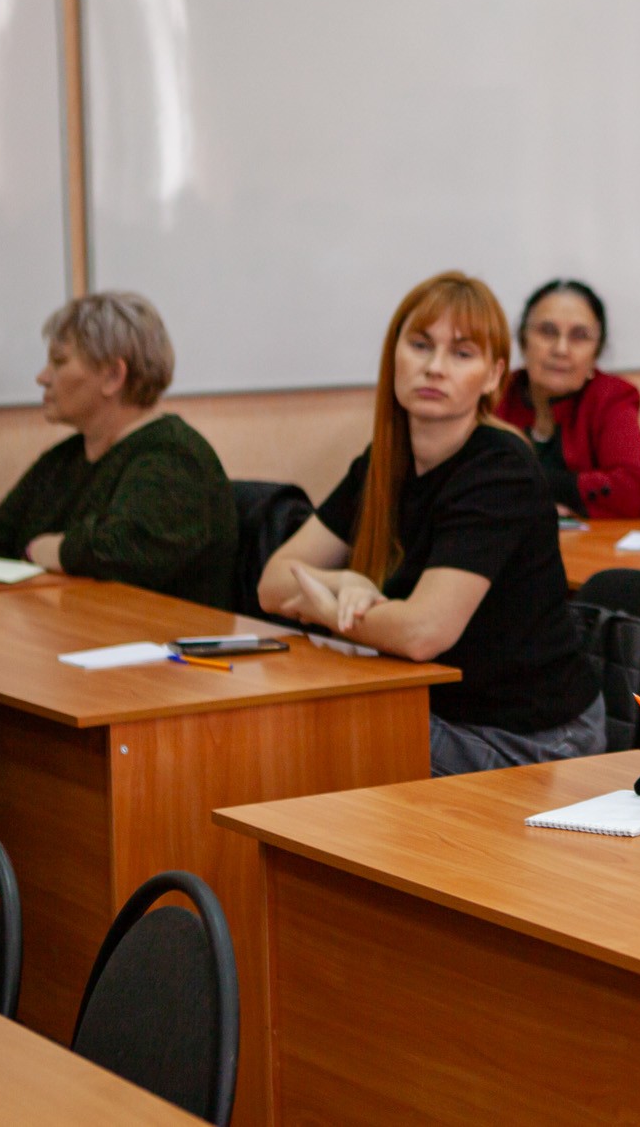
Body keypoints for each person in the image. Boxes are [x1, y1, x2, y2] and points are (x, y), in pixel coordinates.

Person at [258, 272, 602, 775]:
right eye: (421, 346)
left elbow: (422, 632)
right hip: (440, 709)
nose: (435, 368)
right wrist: (344, 582)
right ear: (393, 357)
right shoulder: (386, 461)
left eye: (462, 354)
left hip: (536, 741)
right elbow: (273, 581)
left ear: (493, 376)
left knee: (317, 743)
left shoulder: (499, 467)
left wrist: (332, 614)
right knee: (286, 726)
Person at [0, 292, 235, 608]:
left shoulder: (174, 458)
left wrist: (45, 549)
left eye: (59, 362)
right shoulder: (66, 457)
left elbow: (118, 552)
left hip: (162, 659)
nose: (43, 377)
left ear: (113, 376)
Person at [493, 279, 640, 519]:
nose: (561, 349)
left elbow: (638, 491)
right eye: (547, 331)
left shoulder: (611, 397)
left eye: (579, 336)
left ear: (596, 353)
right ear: (523, 341)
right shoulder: (495, 393)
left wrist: (536, 488)